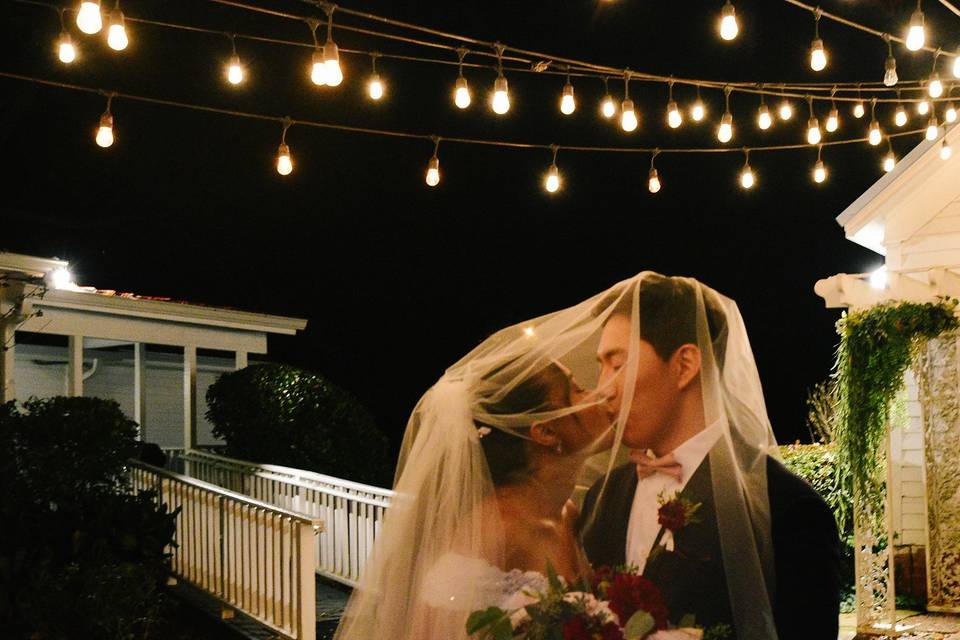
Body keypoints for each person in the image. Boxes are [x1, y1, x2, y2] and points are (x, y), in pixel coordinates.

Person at [579, 274, 841, 639]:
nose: (600, 388)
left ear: (685, 364)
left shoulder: (787, 510)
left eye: (617, 364)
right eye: (600, 365)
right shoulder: (602, 499)